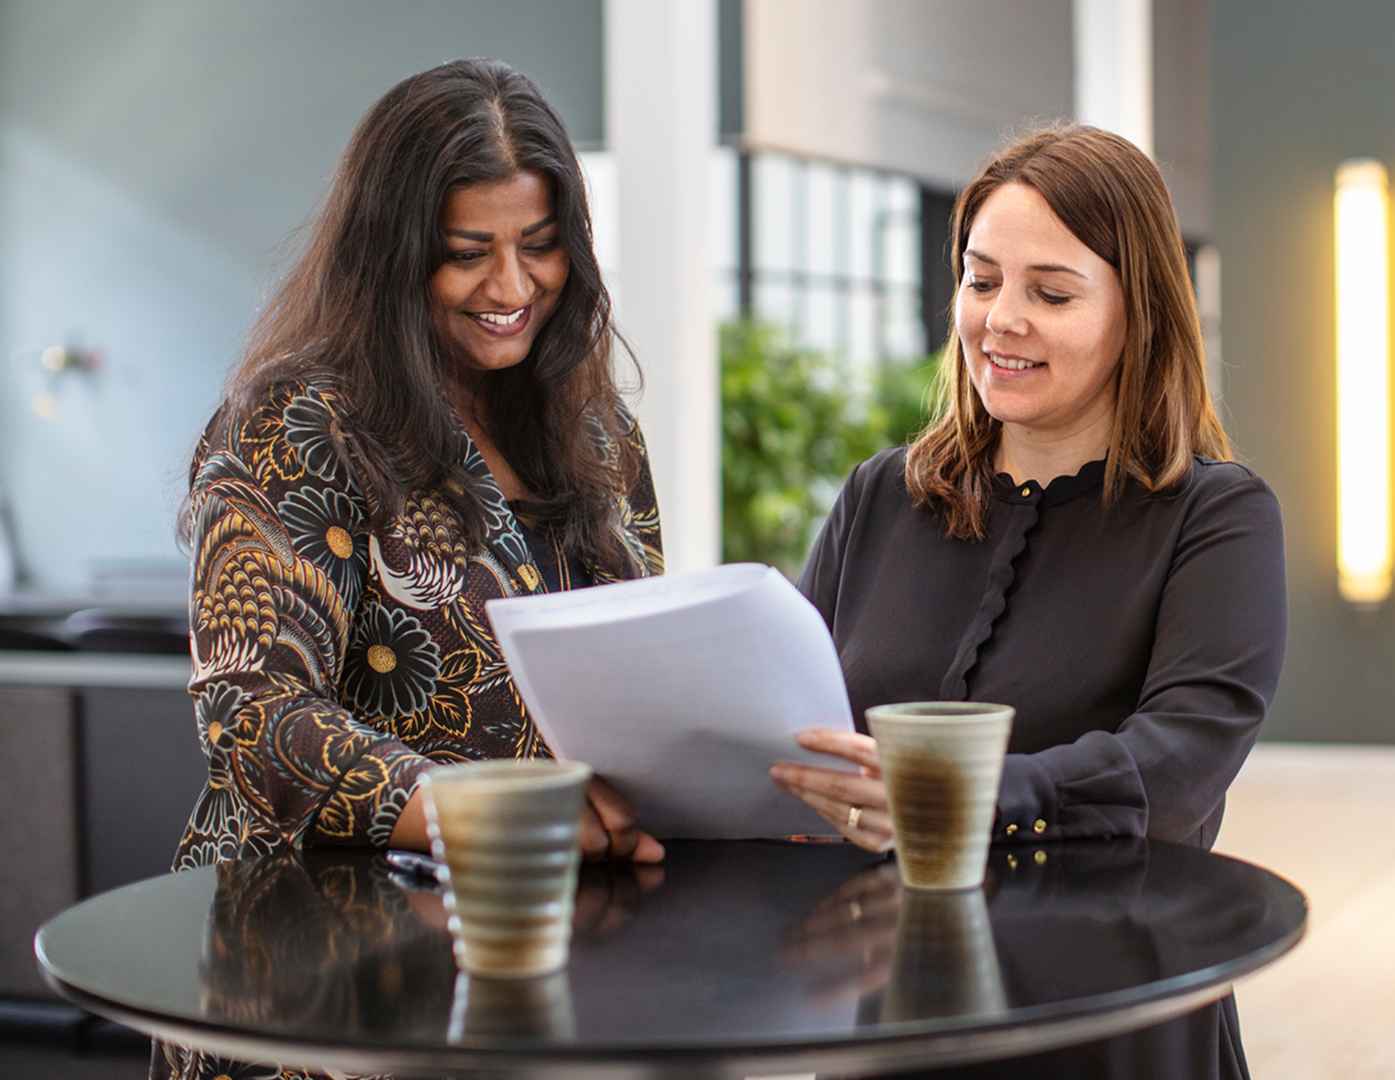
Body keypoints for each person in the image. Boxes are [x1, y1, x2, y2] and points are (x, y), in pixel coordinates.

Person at [162, 59, 662, 1080]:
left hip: (535, 975)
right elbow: (252, 714)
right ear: (390, 254)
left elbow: (643, 669)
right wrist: (496, 811)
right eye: (468, 253)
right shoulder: (294, 425)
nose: (513, 288)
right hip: (317, 985)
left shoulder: (601, 433)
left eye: (541, 246)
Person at [772, 124, 1287, 1079]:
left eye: (1051, 293)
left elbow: (1178, 764)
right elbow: (791, 721)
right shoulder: (881, 496)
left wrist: (956, 800)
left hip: (1109, 1024)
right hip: (891, 1016)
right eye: (980, 279)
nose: (1001, 318)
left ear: (1140, 315)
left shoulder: (1217, 518)